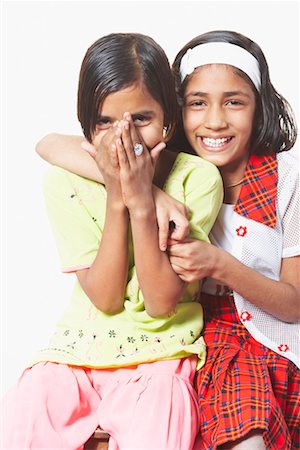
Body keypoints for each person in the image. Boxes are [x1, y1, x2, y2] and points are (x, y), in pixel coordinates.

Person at [36, 30, 300, 450]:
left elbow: (294, 302)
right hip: (191, 338)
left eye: (234, 101)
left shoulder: (284, 179)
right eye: (197, 102)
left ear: (259, 106)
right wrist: (150, 194)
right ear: (176, 112)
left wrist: (216, 263)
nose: (214, 120)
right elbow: (52, 144)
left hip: (255, 341)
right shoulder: (172, 171)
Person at [1, 33, 224, 450]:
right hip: (74, 355)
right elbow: (104, 298)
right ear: (86, 124)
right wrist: (119, 196)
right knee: (30, 403)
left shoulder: (197, 180)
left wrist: (141, 202)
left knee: (165, 409)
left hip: (162, 355)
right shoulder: (64, 181)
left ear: (168, 121)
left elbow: (161, 303)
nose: (125, 136)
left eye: (142, 118)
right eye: (105, 122)